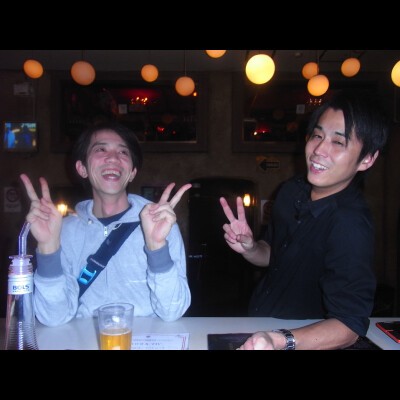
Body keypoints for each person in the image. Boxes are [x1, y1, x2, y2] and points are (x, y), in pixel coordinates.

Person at [219, 90, 389, 350]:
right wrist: (251, 248)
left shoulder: (350, 223)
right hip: (260, 325)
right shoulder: (291, 190)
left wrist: (280, 340)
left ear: (367, 159)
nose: (319, 150)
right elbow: (272, 254)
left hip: (302, 342)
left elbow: (350, 326)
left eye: (338, 142)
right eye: (318, 135)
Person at [20, 121, 191, 326]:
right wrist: (48, 247)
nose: (113, 158)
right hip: (84, 338)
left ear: (132, 172)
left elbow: (172, 311)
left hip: (148, 338)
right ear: (82, 168)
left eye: (123, 152)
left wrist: (156, 247)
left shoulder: (161, 224)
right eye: (101, 149)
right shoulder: (64, 231)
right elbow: (53, 318)